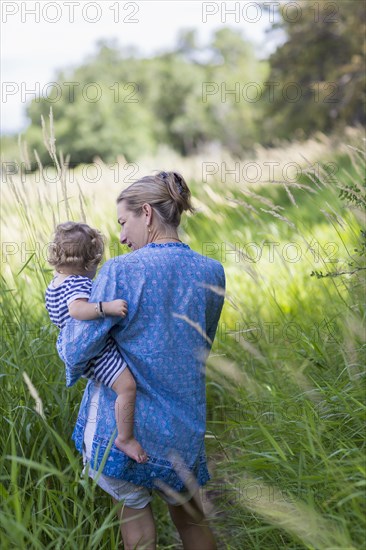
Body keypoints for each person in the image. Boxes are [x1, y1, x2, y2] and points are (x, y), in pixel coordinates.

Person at [60, 171, 225, 550]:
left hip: (124, 434)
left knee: (136, 529)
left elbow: (77, 348)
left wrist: (65, 323)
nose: (120, 237)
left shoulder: (120, 270)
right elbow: (201, 344)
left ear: (146, 213)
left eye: (123, 222)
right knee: (192, 522)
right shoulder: (211, 271)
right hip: (182, 429)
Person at [45, 221, 148, 463]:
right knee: (127, 387)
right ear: (87, 263)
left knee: (118, 387)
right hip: (96, 353)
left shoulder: (55, 283)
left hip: (81, 350)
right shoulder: (77, 283)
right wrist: (106, 307)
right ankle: (125, 438)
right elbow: (77, 310)